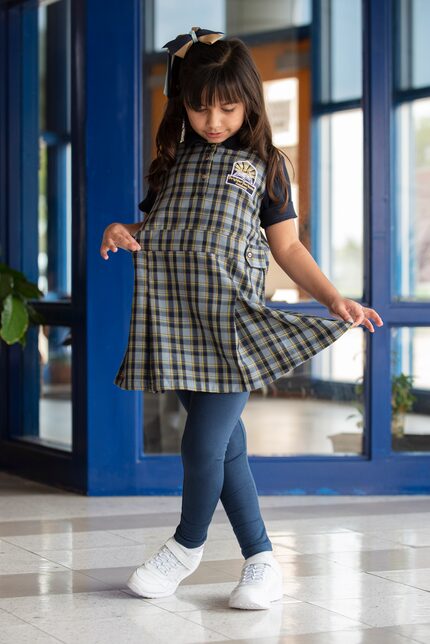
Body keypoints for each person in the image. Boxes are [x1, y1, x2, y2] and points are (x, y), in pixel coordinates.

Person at [99, 27, 384, 610]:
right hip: (177, 319)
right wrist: (121, 231)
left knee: (201, 443)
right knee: (226, 448)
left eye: (228, 107)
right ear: (184, 103)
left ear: (249, 101)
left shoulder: (266, 166)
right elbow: (155, 231)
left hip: (233, 322)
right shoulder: (172, 161)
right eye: (200, 107)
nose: (214, 120)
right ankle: (262, 562)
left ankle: (186, 546)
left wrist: (334, 299)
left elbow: (289, 250)